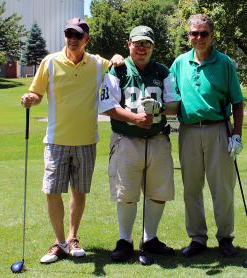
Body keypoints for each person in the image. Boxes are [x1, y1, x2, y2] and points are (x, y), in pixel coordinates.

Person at [20, 17, 124, 264]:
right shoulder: (50, 62)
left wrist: (118, 57)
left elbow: (117, 62)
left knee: (79, 190)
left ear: (86, 39)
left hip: (86, 140)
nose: (73, 39)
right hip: (56, 140)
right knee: (52, 190)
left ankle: (73, 237)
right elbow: (36, 93)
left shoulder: (98, 64)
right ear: (64, 36)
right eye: (69, 34)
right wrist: (30, 98)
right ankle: (59, 242)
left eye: (78, 35)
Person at [99, 26, 181, 262]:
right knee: (126, 193)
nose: (142, 48)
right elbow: (107, 106)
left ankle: (150, 238)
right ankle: (125, 240)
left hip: (157, 139)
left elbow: (175, 104)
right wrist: (134, 118)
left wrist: (162, 108)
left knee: (158, 191)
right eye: (137, 43)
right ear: (129, 45)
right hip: (126, 140)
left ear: (153, 46)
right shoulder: (118, 69)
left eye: (146, 43)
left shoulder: (162, 71)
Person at [170, 14, 244, 258]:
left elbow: (238, 102)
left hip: (218, 130)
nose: (198, 38)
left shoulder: (224, 63)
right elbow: (170, 96)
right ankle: (198, 238)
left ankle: (224, 237)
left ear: (212, 35)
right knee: (191, 188)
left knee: (222, 188)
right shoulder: (180, 62)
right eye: (194, 33)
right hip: (188, 131)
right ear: (189, 35)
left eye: (203, 33)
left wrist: (237, 135)